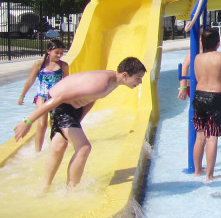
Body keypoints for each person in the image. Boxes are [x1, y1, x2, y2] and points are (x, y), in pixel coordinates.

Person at [13, 57, 146, 191]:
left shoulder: (113, 81)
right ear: (125, 74)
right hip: (62, 105)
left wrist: (78, 120)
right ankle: (72, 190)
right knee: (84, 147)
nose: (140, 82)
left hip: (73, 109)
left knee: (59, 146)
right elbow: (59, 98)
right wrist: (28, 121)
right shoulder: (102, 84)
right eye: (138, 78)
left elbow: (93, 99)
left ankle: (44, 188)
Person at [186, 28, 221, 181]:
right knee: (212, 137)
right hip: (215, 98)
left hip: (199, 97)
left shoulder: (197, 58)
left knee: (200, 137)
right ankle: (209, 175)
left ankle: (197, 170)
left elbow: (198, 76)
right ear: (218, 43)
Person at [18, 39, 69, 152]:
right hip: (41, 96)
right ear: (48, 51)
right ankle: (38, 151)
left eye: (62, 52)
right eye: (57, 52)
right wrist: (22, 96)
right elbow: (30, 80)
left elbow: (67, 83)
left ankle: (54, 148)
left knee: (54, 124)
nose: (60, 55)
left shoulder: (63, 65)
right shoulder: (39, 64)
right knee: (41, 124)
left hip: (56, 98)